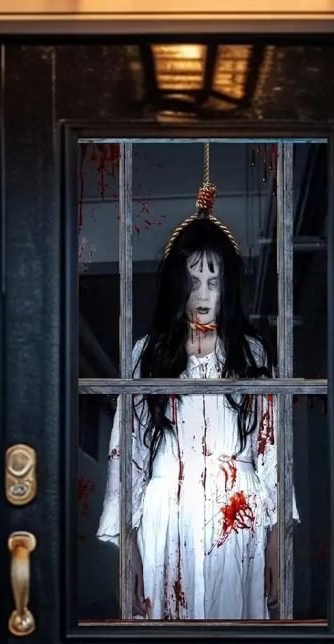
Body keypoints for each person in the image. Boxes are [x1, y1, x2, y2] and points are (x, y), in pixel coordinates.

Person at [96, 213, 290, 620]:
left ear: (228, 289)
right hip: (166, 514)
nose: (203, 295)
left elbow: (272, 450)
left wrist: (277, 540)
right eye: (193, 282)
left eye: (214, 283)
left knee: (234, 638)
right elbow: (127, 450)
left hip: (239, 520)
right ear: (176, 287)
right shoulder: (147, 354)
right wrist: (127, 548)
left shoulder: (252, 355)